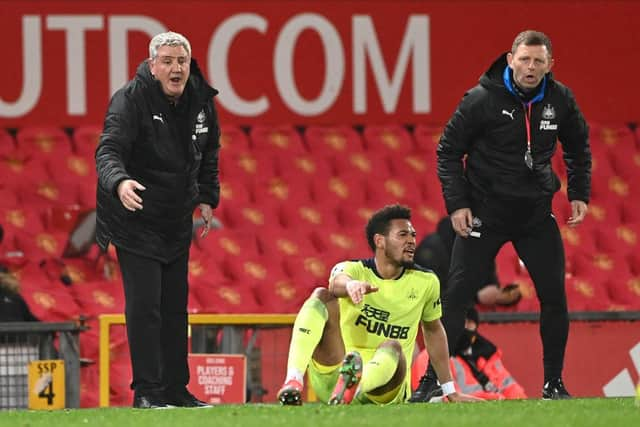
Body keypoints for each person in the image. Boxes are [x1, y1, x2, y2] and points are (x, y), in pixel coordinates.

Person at [411, 30, 591, 402]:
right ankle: (431, 380)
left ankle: (553, 385)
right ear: (510, 59)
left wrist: (579, 193)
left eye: (539, 61)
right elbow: (447, 152)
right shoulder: (480, 100)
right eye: (524, 59)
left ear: (549, 65)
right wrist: (458, 204)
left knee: (554, 297)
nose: (531, 67)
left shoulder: (560, 99)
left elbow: (578, 146)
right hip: (484, 214)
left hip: (535, 214)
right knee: (456, 296)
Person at [95, 31, 221, 409]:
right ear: (152, 66)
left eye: (181, 61)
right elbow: (108, 149)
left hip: (174, 219)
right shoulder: (130, 100)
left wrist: (207, 197)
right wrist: (119, 183)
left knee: (174, 309)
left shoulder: (200, 99)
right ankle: (147, 391)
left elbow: (209, 149)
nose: (175, 68)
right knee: (145, 308)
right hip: (133, 217)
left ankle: (175, 390)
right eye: (166, 61)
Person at [276, 204, 481, 405]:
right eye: (403, 235)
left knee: (393, 346)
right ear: (380, 241)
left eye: (413, 235)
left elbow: (434, 332)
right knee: (321, 295)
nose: (411, 241)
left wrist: (449, 390)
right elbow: (336, 282)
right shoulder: (355, 270)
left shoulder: (426, 282)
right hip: (334, 375)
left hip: (386, 388)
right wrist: (351, 285)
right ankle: (293, 380)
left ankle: (355, 385)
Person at [412, 307, 526, 400]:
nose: (465, 327)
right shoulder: (428, 357)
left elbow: (513, 389)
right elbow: (444, 399)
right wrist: (495, 398)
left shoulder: (488, 354)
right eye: (461, 322)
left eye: (469, 323)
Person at [414, 217, 521, 308]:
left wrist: (499, 295)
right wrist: (476, 298)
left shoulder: (481, 247)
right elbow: (430, 298)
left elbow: (488, 280)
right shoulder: (431, 250)